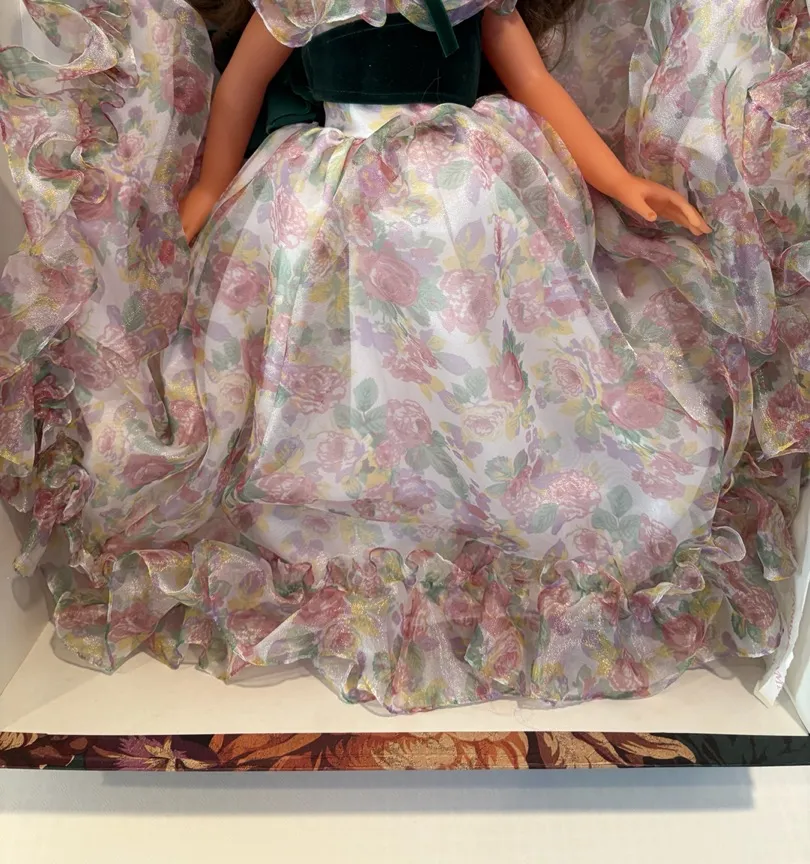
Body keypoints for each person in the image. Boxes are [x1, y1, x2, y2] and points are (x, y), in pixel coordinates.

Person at [0, 0, 798, 713]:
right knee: (325, 369)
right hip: (325, 187)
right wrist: (207, 193)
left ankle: (484, 502)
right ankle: (341, 511)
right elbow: (239, 91)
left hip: (466, 187)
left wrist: (621, 181)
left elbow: (534, 84)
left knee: (474, 354)